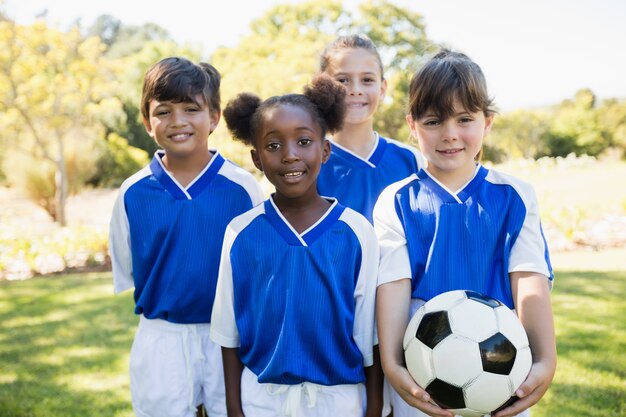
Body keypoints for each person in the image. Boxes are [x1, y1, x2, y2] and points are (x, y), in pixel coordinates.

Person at [374, 49, 556, 417]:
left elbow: (529, 281)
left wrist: (545, 360)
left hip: (502, 371)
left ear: (487, 122)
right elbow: (392, 286)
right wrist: (393, 364)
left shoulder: (514, 196)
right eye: (433, 121)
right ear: (412, 125)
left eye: (464, 119)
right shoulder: (396, 199)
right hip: (421, 375)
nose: (450, 134)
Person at [210, 74, 382, 417]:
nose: (289, 156)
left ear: (325, 149)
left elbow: (369, 334)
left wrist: (375, 405)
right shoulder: (241, 232)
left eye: (304, 142)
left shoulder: (357, 231)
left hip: (339, 400)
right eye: (273, 146)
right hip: (261, 399)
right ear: (257, 158)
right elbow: (229, 333)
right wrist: (233, 407)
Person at [109, 56, 264, 417]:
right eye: (163, 111)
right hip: (161, 337)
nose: (177, 121)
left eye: (191, 108)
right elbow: (130, 265)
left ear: (213, 117)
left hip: (228, 336)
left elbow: (257, 266)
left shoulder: (243, 188)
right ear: (147, 122)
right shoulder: (132, 193)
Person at [316, 34, 425, 223]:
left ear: (382, 89)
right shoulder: (311, 162)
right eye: (342, 80)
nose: (355, 89)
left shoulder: (410, 160)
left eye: (367, 80)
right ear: (323, 88)